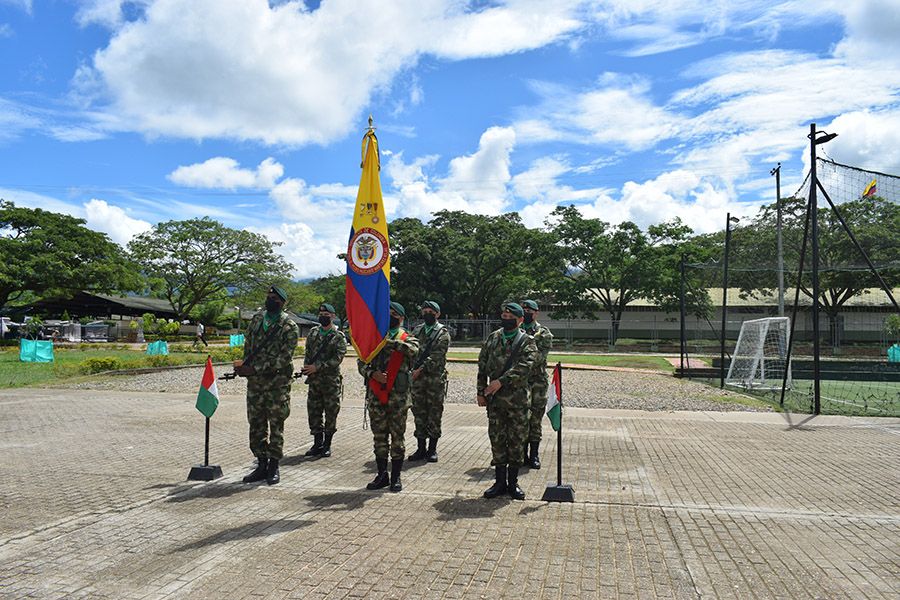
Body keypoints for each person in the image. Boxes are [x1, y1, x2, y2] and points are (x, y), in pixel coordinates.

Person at [236, 286, 299, 485]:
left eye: (274, 298)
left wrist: (256, 369)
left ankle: (273, 466)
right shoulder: (256, 320)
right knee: (255, 424)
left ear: (282, 303)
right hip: (255, 385)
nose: (270, 300)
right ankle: (261, 464)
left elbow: (284, 359)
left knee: (276, 426)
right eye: (268, 297)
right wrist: (245, 366)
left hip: (276, 385)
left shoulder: (289, 327)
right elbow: (249, 347)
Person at [477, 302, 537, 500]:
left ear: (520, 320)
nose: (506, 318)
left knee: (517, 441)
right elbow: (482, 365)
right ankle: (499, 482)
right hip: (495, 402)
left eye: (511, 316)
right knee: (497, 440)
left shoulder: (527, 341)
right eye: (503, 314)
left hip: (517, 402)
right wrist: (480, 391)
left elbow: (525, 367)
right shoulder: (493, 338)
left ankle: (513, 483)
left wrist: (500, 382)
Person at [358, 302, 419, 492]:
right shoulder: (372, 339)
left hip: (398, 397)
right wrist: (371, 373)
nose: (389, 317)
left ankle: (396, 476)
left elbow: (413, 351)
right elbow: (361, 362)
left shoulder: (407, 338)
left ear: (401, 318)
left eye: (393, 314)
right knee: (379, 436)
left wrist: (387, 342)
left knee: (397, 437)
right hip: (376, 395)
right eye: (387, 313)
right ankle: (382, 474)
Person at [300, 303, 347, 458]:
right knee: (314, 412)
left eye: (327, 314)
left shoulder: (338, 336)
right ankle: (317, 443)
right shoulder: (313, 333)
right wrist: (307, 368)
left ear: (333, 316)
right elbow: (308, 353)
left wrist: (317, 367)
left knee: (331, 413)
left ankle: (327, 444)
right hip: (314, 382)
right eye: (321, 314)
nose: (323, 316)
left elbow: (337, 358)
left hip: (330, 382)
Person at [408, 300, 451, 463]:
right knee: (419, 413)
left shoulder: (443, 333)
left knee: (434, 413)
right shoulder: (417, 330)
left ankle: (432, 449)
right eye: (425, 311)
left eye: (430, 312)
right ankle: (420, 448)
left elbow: (437, 356)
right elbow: (411, 350)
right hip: (417, 381)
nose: (427, 314)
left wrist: (419, 370)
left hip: (434, 380)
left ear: (437, 314)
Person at [521, 299, 553, 469]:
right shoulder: (514, 330)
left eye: (529, 310)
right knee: (520, 418)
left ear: (536, 312)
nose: (526, 312)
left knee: (535, 418)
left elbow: (540, 357)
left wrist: (521, 362)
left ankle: (533, 455)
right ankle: (521, 454)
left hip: (537, 382)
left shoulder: (543, 332)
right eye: (523, 309)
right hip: (519, 382)